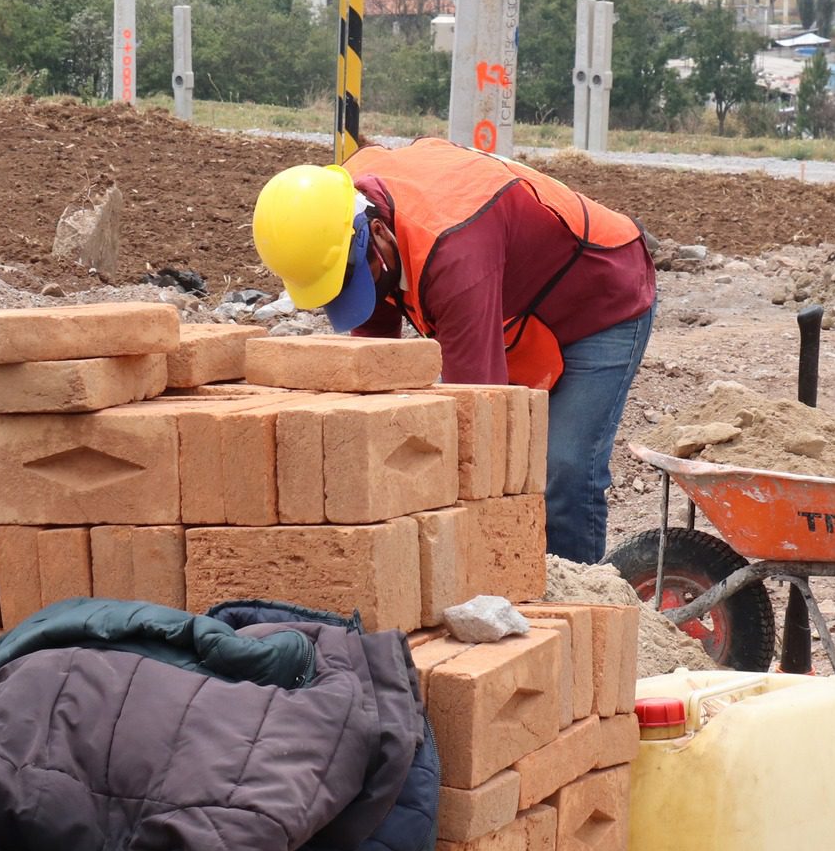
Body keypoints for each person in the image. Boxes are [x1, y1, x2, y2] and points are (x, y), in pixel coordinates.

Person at [253, 139, 657, 563]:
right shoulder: (342, 219)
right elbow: (374, 371)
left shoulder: (453, 252)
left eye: (354, 280)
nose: (356, 294)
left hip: (601, 293)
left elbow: (480, 415)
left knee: (562, 466)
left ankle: (574, 597)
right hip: (519, 303)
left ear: (376, 232)